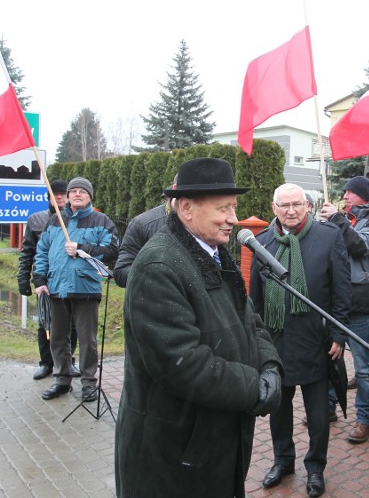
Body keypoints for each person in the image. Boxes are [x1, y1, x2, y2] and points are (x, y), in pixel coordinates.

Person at [114, 157, 282, 498]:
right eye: (224, 209)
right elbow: (181, 363)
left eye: (234, 208)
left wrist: (270, 368)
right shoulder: (158, 265)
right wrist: (255, 387)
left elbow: (250, 320)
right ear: (187, 208)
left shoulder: (213, 252)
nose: (233, 219)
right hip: (174, 454)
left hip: (209, 442)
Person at [250, 183, 350, 498]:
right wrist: (257, 338)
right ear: (274, 207)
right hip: (276, 340)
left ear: (307, 205)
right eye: (285, 205)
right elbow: (256, 296)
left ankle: (316, 468)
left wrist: (339, 333)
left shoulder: (328, 237)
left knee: (318, 414)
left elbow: (341, 290)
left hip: (316, 340)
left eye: (297, 204)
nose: (291, 210)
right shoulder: (262, 242)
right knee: (279, 409)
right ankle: (283, 461)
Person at [33, 177, 119, 402]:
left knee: (87, 339)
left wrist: (82, 248)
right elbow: (41, 251)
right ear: (68, 196)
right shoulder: (55, 221)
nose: (77, 194)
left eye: (82, 191)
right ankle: (62, 379)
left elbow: (112, 249)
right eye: (73, 191)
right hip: (56, 288)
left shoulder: (101, 221)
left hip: (86, 288)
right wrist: (39, 279)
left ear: (90, 196)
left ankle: (89, 383)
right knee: (58, 337)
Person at [317, 175, 369, 445]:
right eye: (344, 192)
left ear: (364, 197)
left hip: (359, 303)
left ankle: (364, 420)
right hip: (335, 299)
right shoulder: (342, 219)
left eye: (350, 193)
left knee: (362, 367)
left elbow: (359, 246)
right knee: (331, 358)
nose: (345, 196)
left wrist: (337, 220)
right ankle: (329, 407)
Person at [17, 179, 79, 380]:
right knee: (45, 322)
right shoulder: (36, 220)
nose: (59, 196)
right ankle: (46, 363)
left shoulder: (77, 219)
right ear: (49, 196)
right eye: (55, 193)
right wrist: (24, 278)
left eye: (62, 193)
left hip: (71, 280)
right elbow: (28, 251)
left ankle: (68, 361)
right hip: (45, 280)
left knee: (72, 324)